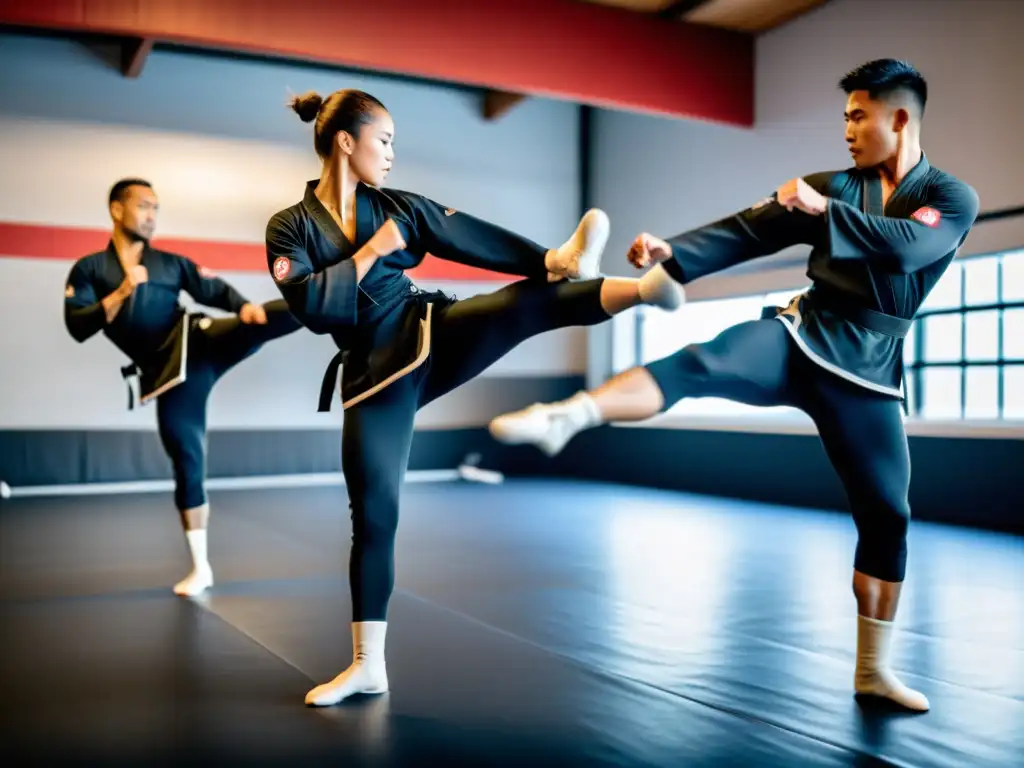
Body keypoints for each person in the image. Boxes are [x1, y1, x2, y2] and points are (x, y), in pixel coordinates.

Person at [489, 59, 980, 713]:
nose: (848, 131)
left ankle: (873, 672)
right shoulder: (833, 185)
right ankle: (568, 415)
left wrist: (824, 210)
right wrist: (675, 251)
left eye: (859, 117)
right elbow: (752, 229)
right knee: (700, 361)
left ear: (899, 118)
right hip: (801, 336)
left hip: (870, 372)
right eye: (845, 118)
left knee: (889, 516)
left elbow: (907, 249)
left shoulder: (951, 198)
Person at [266, 87, 684, 707]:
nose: (390, 155)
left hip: (426, 332)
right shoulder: (290, 226)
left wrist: (546, 258)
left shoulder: (398, 207)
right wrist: (369, 255)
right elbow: (311, 307)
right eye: (384, 141)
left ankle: (641, 288)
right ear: (346, 142)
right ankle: (367, 665)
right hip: (371, 373)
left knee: (518, 305)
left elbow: (465, 236)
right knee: (376, 516)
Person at [64, 178, 304, 597]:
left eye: (156, 208)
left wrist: (242, 305)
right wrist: (121, 292)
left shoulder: (171, 263)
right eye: (143, 207)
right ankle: (201, 568)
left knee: (261, 319)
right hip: (169, 375)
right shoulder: (89, 270)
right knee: (186, 455)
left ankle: (335, 296)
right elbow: (77, 326)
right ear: (117, 210)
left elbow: (210, 288)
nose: (152, 216)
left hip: (197, 340)